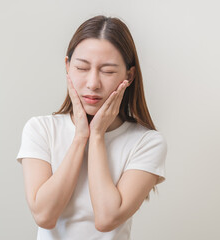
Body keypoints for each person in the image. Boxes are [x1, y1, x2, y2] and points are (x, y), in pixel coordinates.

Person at [16, 15, 167, 240]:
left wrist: (96, 136)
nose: (93, 83)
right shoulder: (40, 130)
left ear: (129, 74)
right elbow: (44, 216)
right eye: (82, 68)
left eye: (107, 71)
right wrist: (79, 138)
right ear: (68, 67)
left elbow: (106, 219)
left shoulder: (147, 142)